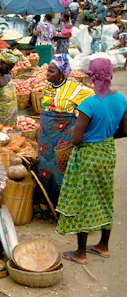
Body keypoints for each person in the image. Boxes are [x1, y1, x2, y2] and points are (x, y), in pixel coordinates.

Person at [56, 58, 127, 264]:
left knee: (84, 199)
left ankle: (80, 253)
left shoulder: (89, 104)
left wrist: (73, 132)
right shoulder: (121, 100)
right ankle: (103, 246)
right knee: (105, 195)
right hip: (106, 152)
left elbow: (76, 139)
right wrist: (103, 136)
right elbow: (124, 131)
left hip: (87, 155)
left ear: (91, 78)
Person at [37, 54, 94, 205]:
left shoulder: (74, 89)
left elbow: (90, 101)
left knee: (60, 165)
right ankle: (47, 200)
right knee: (44, 163)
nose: (48, 74)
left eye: (52, 72)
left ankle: (61, 203)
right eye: (48, 71)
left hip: (62, 133)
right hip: (45, 135)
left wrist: (77, 121)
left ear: (62, 73)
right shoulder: (48, 86)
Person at [0, 49, 24, 127]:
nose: (9, 71)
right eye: (8, 68)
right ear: (1, 62)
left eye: (11, 68)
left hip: (10, 116)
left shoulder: (5, 72)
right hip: (1, 118)